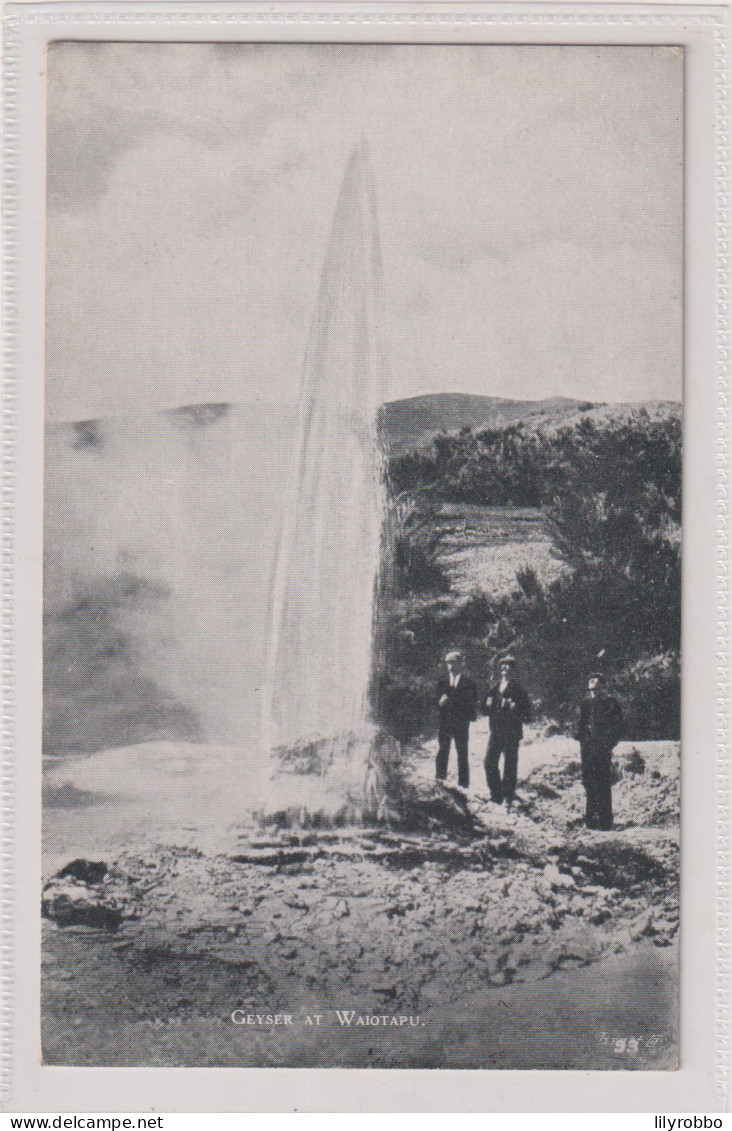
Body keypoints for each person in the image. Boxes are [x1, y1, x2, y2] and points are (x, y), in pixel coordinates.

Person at [484, 655, 531, 811]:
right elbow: (484, 709)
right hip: (496, 731)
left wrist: (514, 707)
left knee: (510, 765)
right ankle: (496, 793)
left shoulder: (519, 690)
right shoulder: (495, 688)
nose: (504, 668)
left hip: (511, 732)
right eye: (502, 665)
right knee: (489, 762)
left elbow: (528, 715)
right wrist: (487, 705)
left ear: (514, 670)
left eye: (508, 666)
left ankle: (508, 797)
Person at [577, 671, 623, 830]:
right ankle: (590, 819)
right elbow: (580, 726)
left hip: (602, 748)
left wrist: (608, 744)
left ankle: (605, 821)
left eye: (596, 679)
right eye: (590, 678)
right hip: (587, 748)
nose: (592, 680)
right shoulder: (585, 703)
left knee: (602, 782)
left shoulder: (610, 703)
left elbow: (618, 727)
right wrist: (582, 741)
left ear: (603, 686)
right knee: (589, 782)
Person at [435, 651, 478, 790]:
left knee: (462, 752)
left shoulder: (469, 683)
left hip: (461, 723)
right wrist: (439, 703)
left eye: (453, 662)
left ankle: (463, 785)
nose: (450, 666)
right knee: (443, 750)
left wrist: (451, 701)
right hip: (445, 723)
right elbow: (435, 701)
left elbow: (471, 703)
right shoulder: (442, 681)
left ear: (461, 664)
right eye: (448, 663)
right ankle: (440, 780)